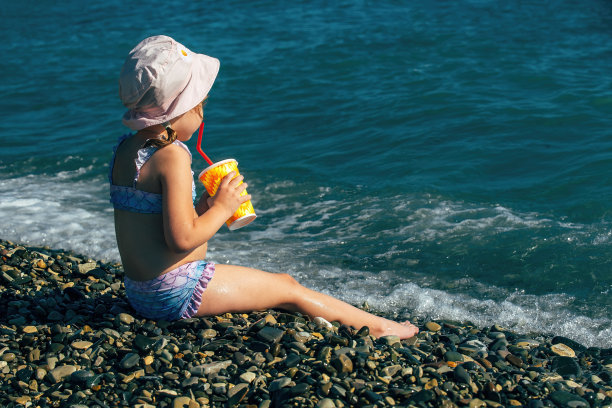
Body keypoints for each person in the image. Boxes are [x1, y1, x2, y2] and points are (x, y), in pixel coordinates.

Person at [110, 35, 419, 339]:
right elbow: (181, 239)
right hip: (175, 292)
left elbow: (149, 220)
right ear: (181, 107)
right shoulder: (173, 156)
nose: (203, 112)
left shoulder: (126, 150)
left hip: (140, 291)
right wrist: (222, 208)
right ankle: (378, 327)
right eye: (200, 105)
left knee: (278, 286)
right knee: (287, 288)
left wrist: (204, 206)